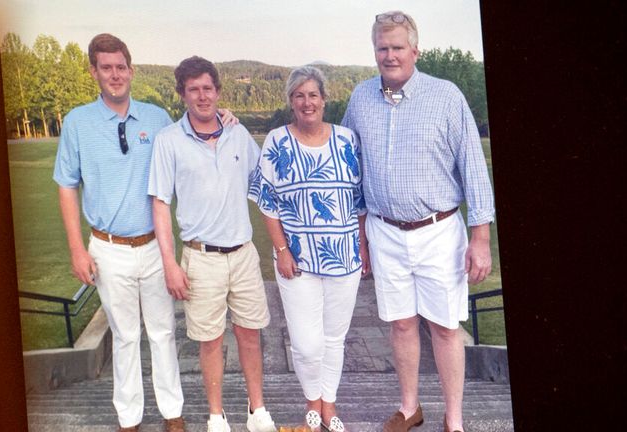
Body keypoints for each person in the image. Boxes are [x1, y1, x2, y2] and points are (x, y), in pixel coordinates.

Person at [53, 34, 236, 432]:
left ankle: (173, 413)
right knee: (124, 337)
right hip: (107, 248)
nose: (115, 75)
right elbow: (67, 185)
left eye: (121, 67)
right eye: (106, 67)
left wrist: (225, 118)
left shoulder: (155, 118)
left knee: (162, 332)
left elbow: (192, 135)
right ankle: (129, 418)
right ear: (94, 72)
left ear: (131, 71)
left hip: (155, 246)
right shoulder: (77, 123)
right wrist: (75, 249)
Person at [342, 11, 495, 432]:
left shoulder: (446, 96)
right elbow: (350, 168)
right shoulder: (360, 99)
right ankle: (410, 408)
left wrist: (480, 238)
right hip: (383, 231)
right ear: (375, 51)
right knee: (402, 324)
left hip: (439, 231)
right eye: (381, 48)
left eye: (396, 47)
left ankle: (454, 419)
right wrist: (361, 235)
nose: (389, 55)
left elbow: (473, 170)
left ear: (415, 50)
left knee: (446, 327)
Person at [148, 56, 277, 432]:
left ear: (218, 91)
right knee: (210, 341)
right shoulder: (168, 141)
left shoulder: (237, 133)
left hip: (243, 253)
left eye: (208, 88)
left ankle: (258, 411)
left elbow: (264, 181)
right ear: (182, 95)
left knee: (251, 335)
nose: (202, 96)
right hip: (200, 257)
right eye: (194, 90)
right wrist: (170, 263)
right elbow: (160, 204)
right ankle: (217, 415)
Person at [249, 66, 368, 432]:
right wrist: (281, 249)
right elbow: (267, 201)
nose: (306, 102)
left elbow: (360, 199)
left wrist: (363, 247)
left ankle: (326, 405)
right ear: (290, 102)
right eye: (299, 95)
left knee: (335, 337)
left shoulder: (348, 139)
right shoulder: (277, 141)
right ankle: (310, 398)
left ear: (324, 99)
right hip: (296, 261)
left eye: (313, 94)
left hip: (344, 256)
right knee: (305, 343)